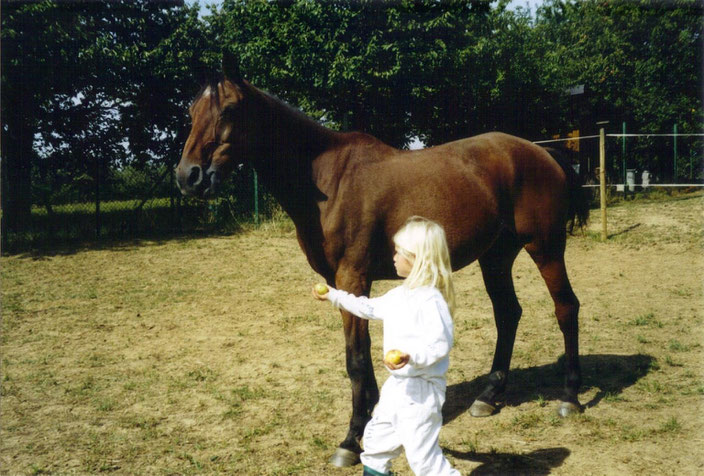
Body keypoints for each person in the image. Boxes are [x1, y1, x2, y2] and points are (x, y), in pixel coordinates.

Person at [312, 216, 461, 476]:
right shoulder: (399, 295)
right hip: (397, 388)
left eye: (399, 252)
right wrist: (334, 294)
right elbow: (366, 307)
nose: (393, 256)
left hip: (422, 393)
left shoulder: (431, 301)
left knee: (425, 462)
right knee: (376, 444)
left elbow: (439, 345)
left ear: (417, 259)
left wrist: (410, 356)